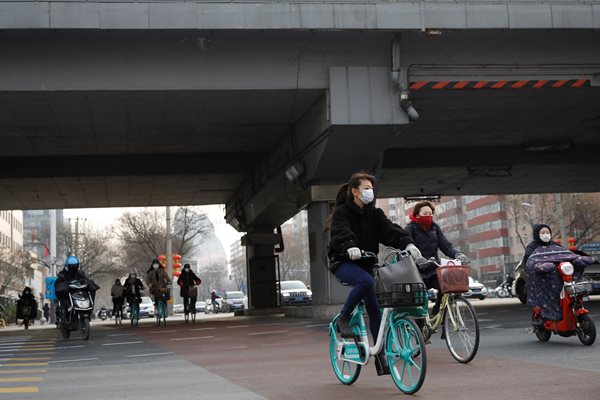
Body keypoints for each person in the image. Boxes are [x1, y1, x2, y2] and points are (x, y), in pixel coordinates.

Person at [328, 172, 422, 376]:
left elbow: (390, 230)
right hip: (344, 261)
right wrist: (350, 246)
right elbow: (342, 232)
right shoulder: (342, 213)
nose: (370, 192)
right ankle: (343, 318)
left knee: (376, 310)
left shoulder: (375, 214)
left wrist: (408, 243)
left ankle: (381, 356)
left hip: (367, 263)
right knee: (366, 281)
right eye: (366, 189)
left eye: (372, 188)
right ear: (355, 192)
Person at [405, 201, 469, 316]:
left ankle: (439, 309)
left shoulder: (435, 228)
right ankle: (421, 322)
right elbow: (406, 247)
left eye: (430, 213)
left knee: (447, 287)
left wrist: (458, 254)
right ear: (417, 215)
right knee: (420, 300)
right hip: (417, 271)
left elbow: (446, 247)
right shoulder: (410, 228)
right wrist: (417, 259)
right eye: (425, 213)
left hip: (434, 267)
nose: (429, 216)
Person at [524, 223, 595, 323]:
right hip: (543, 277)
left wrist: (580, 258)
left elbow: (567, 255)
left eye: (547, 232)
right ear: (537, 234)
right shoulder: (532, 247)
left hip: (561, 273)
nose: (546, 234)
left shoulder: (555, 245)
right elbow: (529, 262)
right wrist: (540, 266)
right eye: (543, 232)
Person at [55, 256, 98, 322]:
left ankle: (90, 309)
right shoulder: (62, 274)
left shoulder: (80, 273)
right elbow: (58, 287)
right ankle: (65, 316)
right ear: (67, 265)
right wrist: (65, 286)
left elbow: (85, 280)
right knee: (64, 303)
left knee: (91, 289)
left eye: (75, 265)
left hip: (79, 294)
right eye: (71, 266)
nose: (73, 267)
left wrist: (89, 284)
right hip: (68, 296)